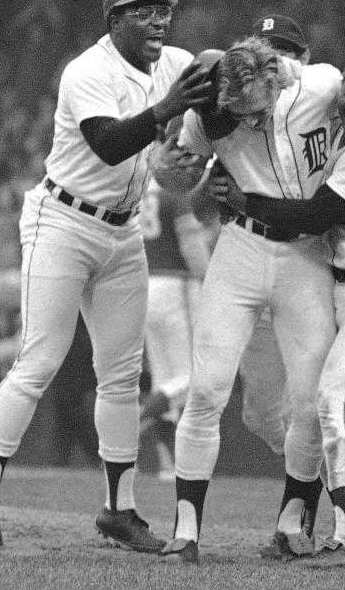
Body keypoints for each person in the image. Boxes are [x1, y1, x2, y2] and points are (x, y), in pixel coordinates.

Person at [0, 0, 213, 550]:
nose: (159, 20)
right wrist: (168, 109)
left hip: (123, 234)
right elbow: (109, 143)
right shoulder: (87, 71)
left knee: (121, 376)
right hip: (64, 221)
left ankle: (118, 510)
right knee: (40, 358)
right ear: (115, 20)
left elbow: (217, 85)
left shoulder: (173, 62)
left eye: (163, 9)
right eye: (144, 11)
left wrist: (233, 84)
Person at [209, 46, 345, 568]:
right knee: (316, 406)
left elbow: (313, 216)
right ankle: (319, 529)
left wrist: (243, 201)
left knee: (336, 400)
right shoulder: (337, 126)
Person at [153, 29, 342, 565]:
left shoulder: (320, 85)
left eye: (255, 109)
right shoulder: (211, 109)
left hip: (306, 258)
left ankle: (291, 524)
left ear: (278, 75)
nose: (248, 122)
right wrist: (180, 171)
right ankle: (185, 533)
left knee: (309, 402)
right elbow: (172, 178)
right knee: (207, 390)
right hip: (240, 250)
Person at [137, 177, 212, 481]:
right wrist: (209, 277)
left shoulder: (138, 187)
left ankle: (169, 464)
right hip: (176, 283)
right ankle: (138, 419)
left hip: (145, 284)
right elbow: (191, 244)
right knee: (193, 377)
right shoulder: (172, 190)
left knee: (164, 380)